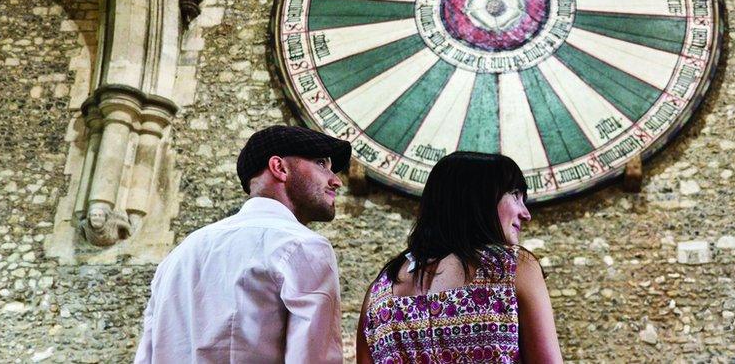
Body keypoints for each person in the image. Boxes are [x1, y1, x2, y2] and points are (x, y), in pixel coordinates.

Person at [134, 125, 351, 364]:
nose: (336, 181)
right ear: (279, 168)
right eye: (321, 163)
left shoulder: (177, 258)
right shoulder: (302, 247)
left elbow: (146, 357)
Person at [356, 151, 563, 363]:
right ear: (478, 197)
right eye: (515, 195)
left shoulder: (378, 294)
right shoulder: (511, 269)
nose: (526, 213)